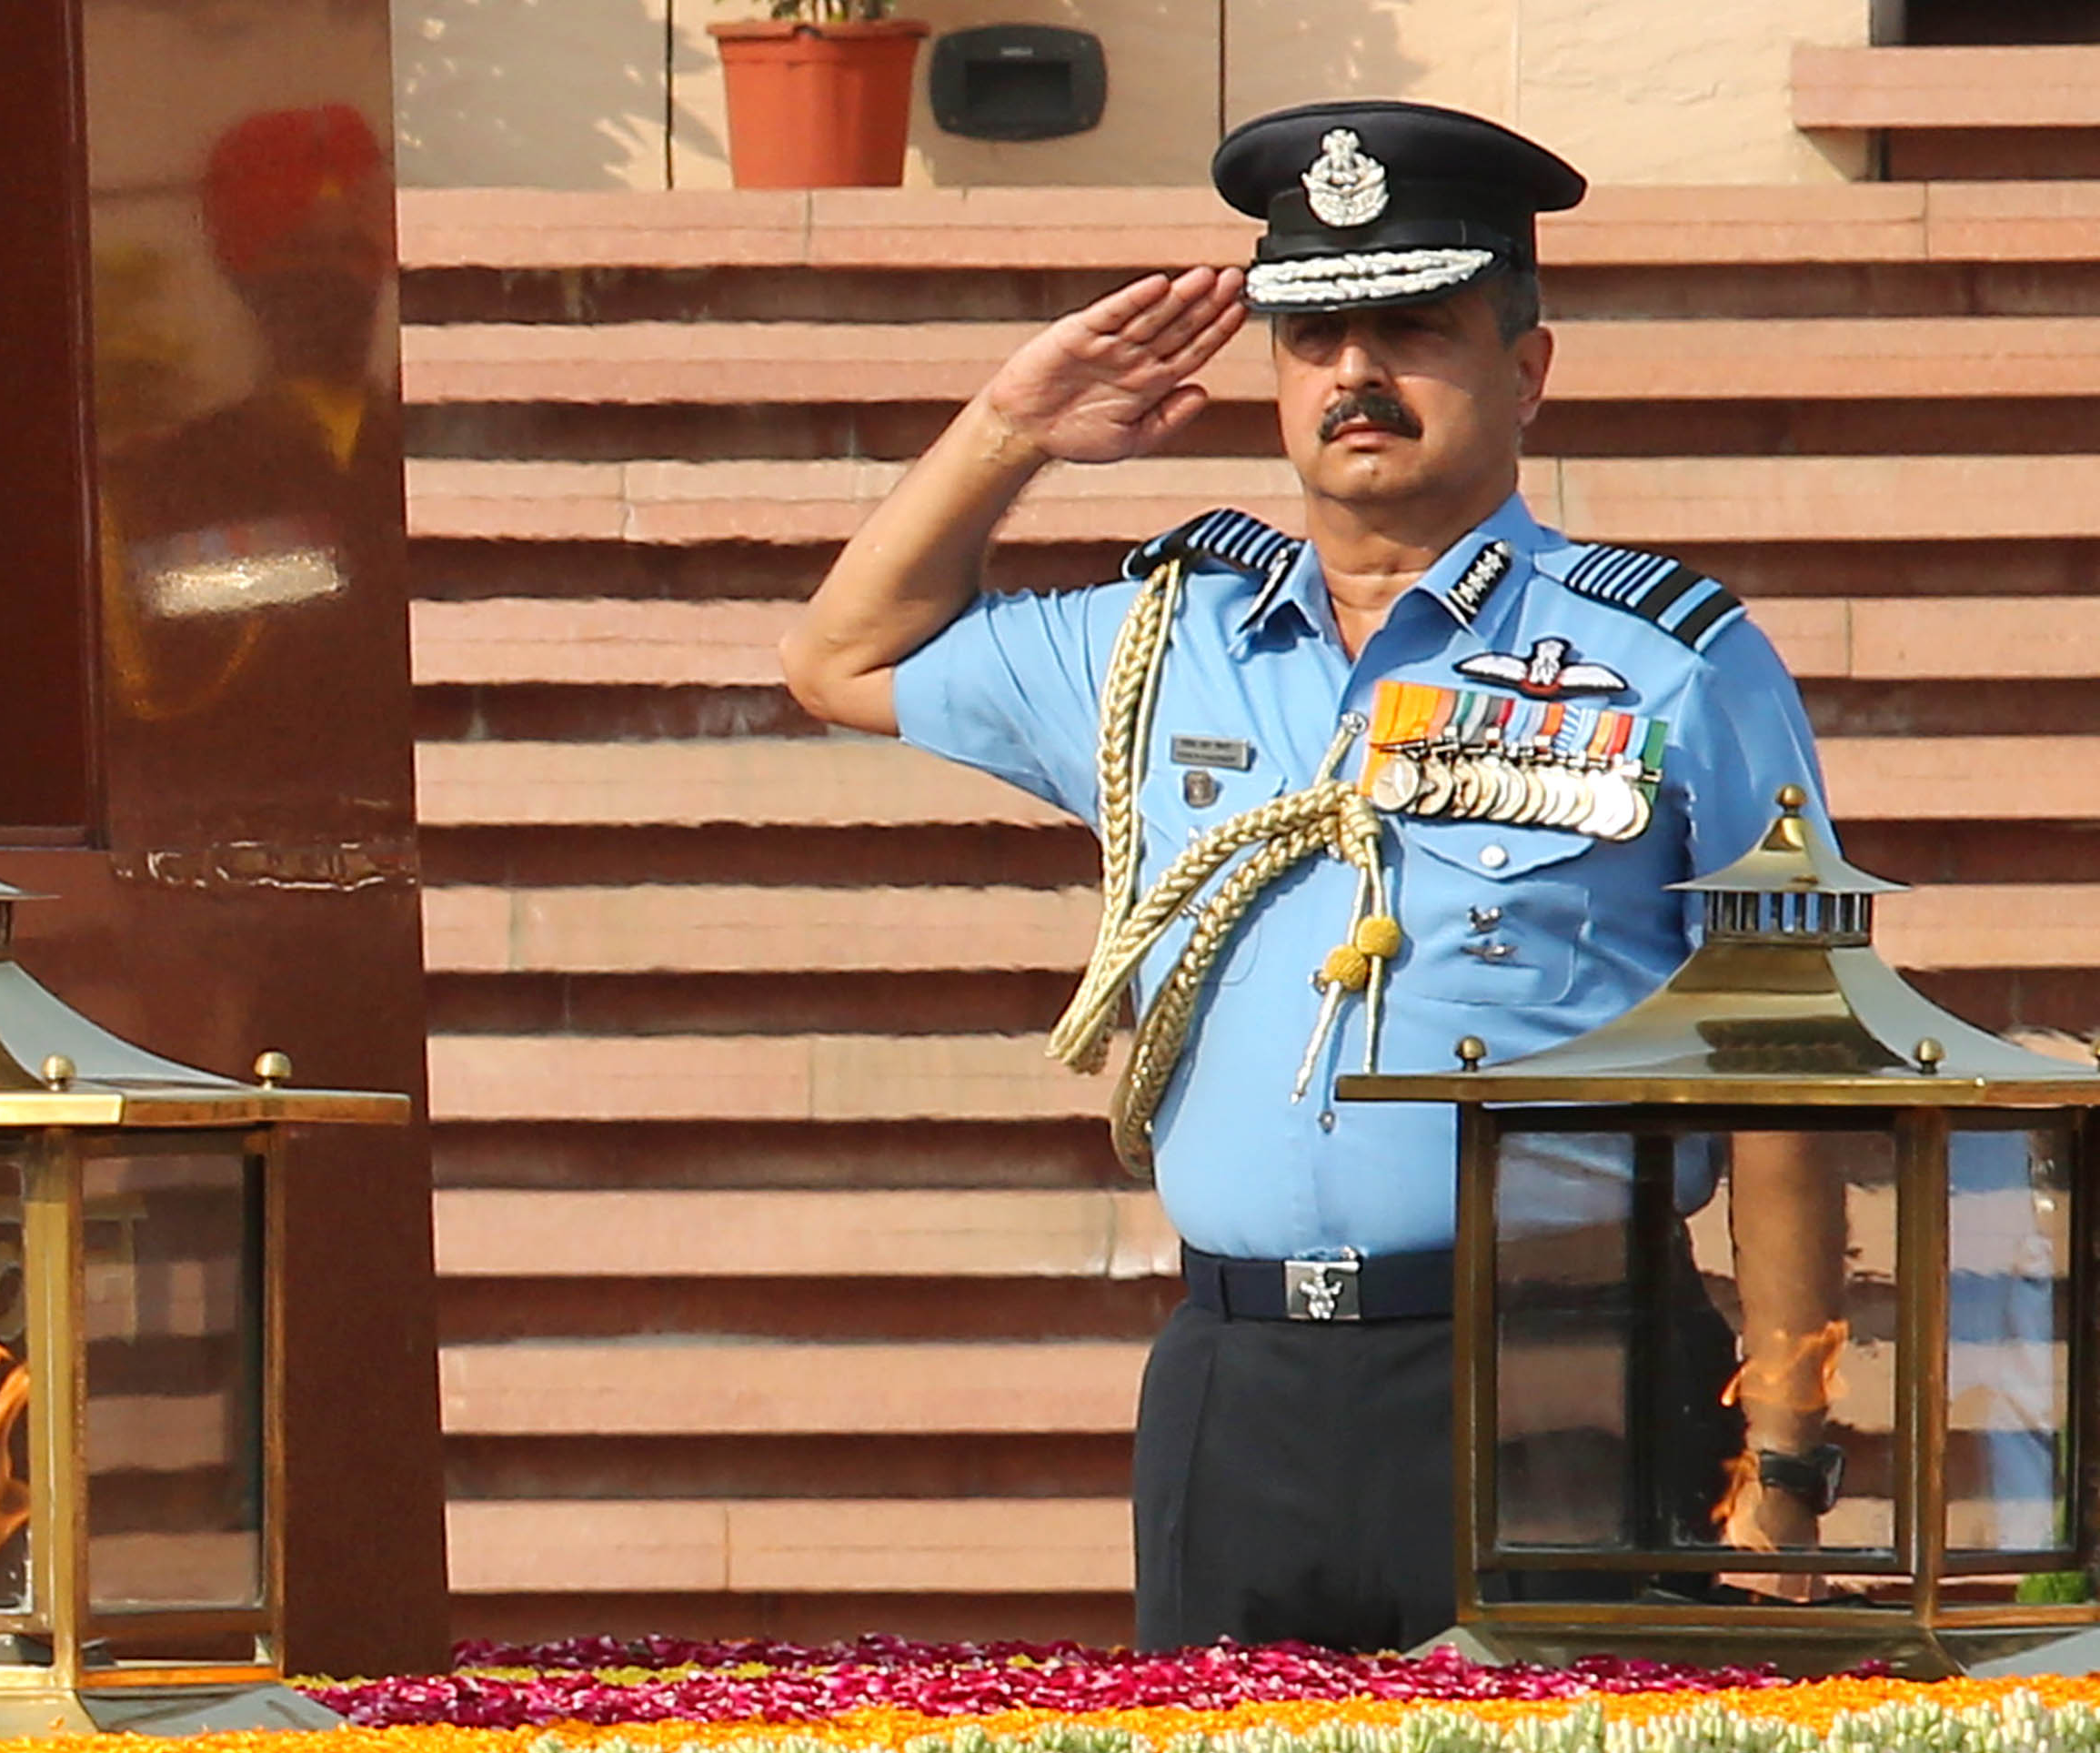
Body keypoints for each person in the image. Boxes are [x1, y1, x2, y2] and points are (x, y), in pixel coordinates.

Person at [778, 100, 1844, 1650]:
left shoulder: (1671, 662)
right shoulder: (1163, 643)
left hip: (1568, 1375)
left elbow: (1788, 1068)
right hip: (1242, 1377)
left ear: (1526, 367)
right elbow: (834, 655)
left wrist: (1792, 1462)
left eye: (1411, 327)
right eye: (1313, 334)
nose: (1354, 373)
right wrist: (1011, 426)